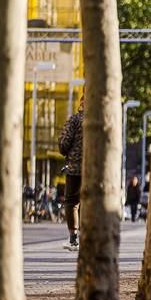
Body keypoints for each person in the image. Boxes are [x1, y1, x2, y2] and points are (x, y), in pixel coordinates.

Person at [58, 101, 84, 251]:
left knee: (72, 202)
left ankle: (73, 239)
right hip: (95, 169)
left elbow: (64, 144)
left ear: (82, 103)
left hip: (75, 168)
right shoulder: (103, 120)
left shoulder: (75, 120)